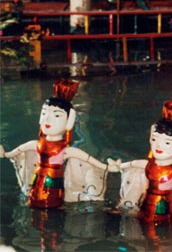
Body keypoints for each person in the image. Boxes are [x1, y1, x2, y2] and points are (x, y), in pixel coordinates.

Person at [0, 79, 109, 209]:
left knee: (53, 207)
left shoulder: (65, 150)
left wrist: (108, 167)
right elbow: (16, 152)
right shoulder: (36, 144)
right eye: (44, 113)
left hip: (54, 186)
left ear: (69, 122)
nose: (47, 119)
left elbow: (89, 160)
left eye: (57, 115)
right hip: (36, 185)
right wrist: (4, 154)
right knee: (35, 205)